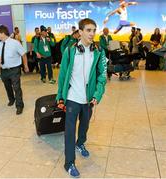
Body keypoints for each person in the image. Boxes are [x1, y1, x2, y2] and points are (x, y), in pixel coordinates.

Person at [56, 18, 107, 178]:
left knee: (84, 126)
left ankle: (81, 143)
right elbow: (63, 75)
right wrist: (60, 97)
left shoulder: (98, 51)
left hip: (88, 99)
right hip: (72, 97)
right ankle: (69, 162)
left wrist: (97, 95)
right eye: (88, 30)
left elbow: (102, 76)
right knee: (69, 131)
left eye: (94, 30)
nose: (92, 33)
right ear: (80, 32)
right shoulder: (70, 51)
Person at [0, 25, 29, 115]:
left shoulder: (15, 43)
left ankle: (19, 105)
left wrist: (25, 66)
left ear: (3, 33)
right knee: (7, 87)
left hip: (14, 70)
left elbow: (23, 54)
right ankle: (11, 99)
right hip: (4, 70)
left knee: (16, 88)